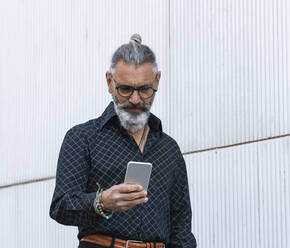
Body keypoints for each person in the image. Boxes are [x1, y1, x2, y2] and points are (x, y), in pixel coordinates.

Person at [50, 34, 197, 248]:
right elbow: (60, 206)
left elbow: (181, 228)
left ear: (157, 81)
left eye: (145, 89)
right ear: (110, 82)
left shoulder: (169, 149)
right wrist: (101, 203)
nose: (135, 99)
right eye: (125, 89)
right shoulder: (82, 138)